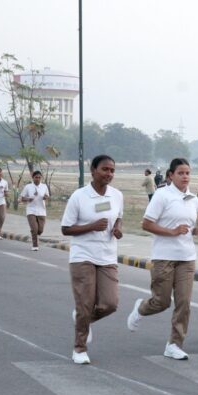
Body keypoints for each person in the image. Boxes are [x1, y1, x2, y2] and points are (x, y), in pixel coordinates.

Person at [127, 158, 198, 359]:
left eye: (188, 173)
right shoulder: (162, 195)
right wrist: (172, 232)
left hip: (187, 257)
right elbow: (146, 224)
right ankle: (141, 308)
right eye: (180, 173)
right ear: (171, 175)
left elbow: (189, 228)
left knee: (184, 303)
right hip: (164, 257)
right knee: (161, 301)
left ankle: (174, 344)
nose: (185, 177)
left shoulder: (193, 199)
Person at [61, 155, 124, 365]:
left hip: (107, 255)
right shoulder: (79, 196)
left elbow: (119, 216)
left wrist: (117, 228)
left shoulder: (117, 195)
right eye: (105, 169)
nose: (109, 174)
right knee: (85, 303)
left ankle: (83, 318)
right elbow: (66, 228)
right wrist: (91, 226)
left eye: (112, 170)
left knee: (110, 304)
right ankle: (79, 348)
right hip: (83, 256)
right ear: (93, 170)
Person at [20, 171, 50, 251]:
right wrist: (28, 199)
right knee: (34, 229)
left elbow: (47, 196)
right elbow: (22, 198)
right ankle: (35, 245)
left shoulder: (44, 186)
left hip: (41, 210)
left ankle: (36, 235)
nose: (38, 179)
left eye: (39, 177)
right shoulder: (28, 187)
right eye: (36, 177)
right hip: (31, 210)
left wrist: (45, 197)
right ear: (33, 178)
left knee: (40, 230)